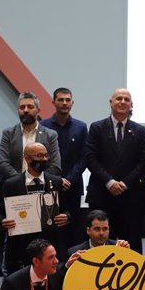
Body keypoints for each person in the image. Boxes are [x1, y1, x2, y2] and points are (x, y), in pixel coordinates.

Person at [85, 88, 145, 252]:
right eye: (119, 98)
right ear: (111, 102)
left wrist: (125, 184)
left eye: (126, 99)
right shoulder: (97, 127)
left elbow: (144, 162)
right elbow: (90, 158)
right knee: (100, 244)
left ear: (131, 105)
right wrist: (110, 182)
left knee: (132, 244)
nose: (122, 102)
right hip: (102, 195)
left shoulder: (140, 131)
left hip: (131, 197)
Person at [0, 143, 69, 275]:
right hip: (19, 244)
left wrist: (66, 217)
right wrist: (3, 222)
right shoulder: (10, 183)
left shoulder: (56, 182)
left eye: (46, 155)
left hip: (49, 242)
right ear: (27, 158)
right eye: (39, 156)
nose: (44, 159)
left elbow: (66, 210)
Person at [40, 88, 88, 247]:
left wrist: (69, 179)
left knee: (73, 229)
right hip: (49, 185)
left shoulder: (81, 127)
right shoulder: (43, 126)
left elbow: (84, 157)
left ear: (72, 103)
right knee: (51, 228)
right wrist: (57, 180)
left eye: (68, 100)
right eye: (60, 100)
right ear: (53, 102)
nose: (64, 103)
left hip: (73, 186)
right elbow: (41, 157)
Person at [0, 92, 61, 186]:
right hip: (14, 186)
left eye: (30, 107)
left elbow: (55, 166)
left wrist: (37, 180)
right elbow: (2, 163)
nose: (26, 110)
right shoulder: (9, 133)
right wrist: (21, 181)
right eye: (22, 107)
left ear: (38, 110)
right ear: (18, 110)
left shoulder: (50, 135)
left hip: (42, 186)